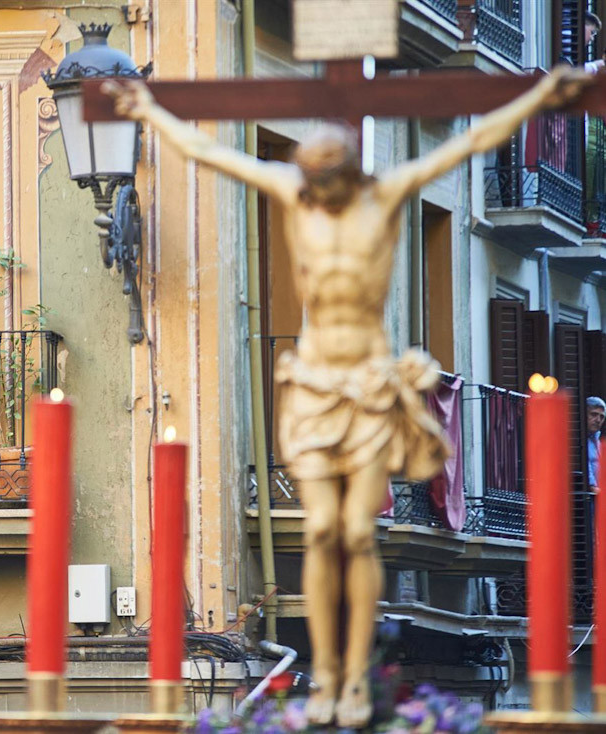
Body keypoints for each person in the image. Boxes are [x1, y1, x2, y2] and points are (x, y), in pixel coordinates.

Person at [104, 66, 588, 727]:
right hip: (311, 384)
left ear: (348, 179)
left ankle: (355, 676)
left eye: (329, 187)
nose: (319, 199)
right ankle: (326, 675)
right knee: (324, 528)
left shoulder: (384, 197)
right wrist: (151, 111)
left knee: (357, 532)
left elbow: (464, 147)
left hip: (366, 386)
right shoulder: (293, 189)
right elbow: (209, 151)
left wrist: (536, 97)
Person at [588, 396, 605, 489]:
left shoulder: (598, 442)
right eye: (594, 414)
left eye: (601, 417)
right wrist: (593, 486)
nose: (598, 420)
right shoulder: (580, 442)